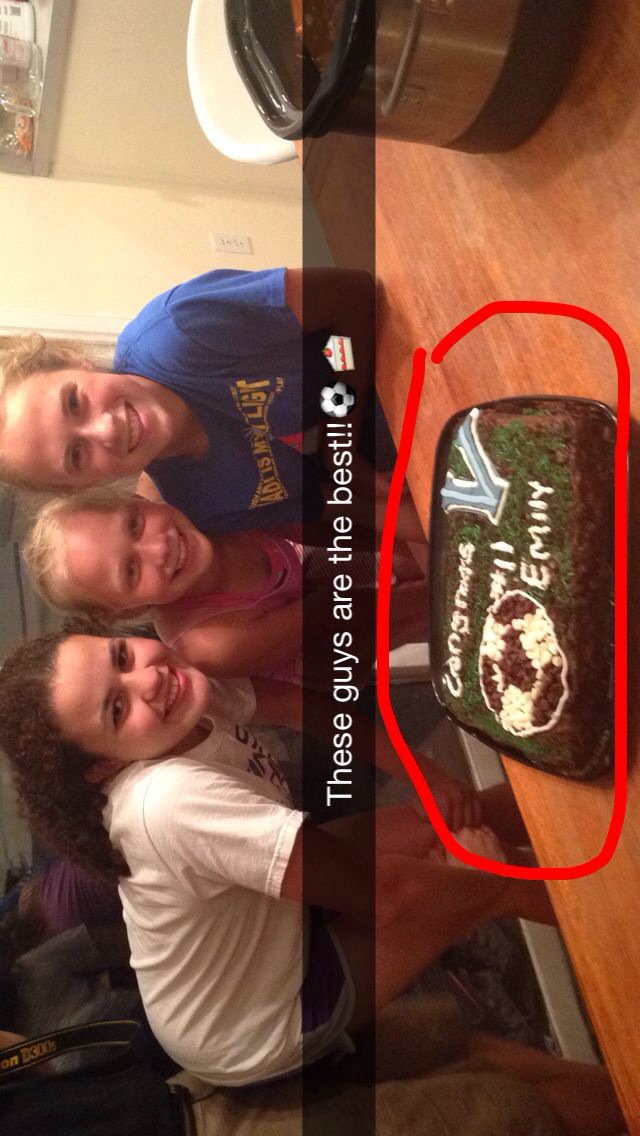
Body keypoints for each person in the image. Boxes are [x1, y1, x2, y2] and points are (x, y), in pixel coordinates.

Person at [0, 628, 557, 1088]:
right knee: (490, 876)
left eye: (121, 656)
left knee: (455, 818)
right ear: (103, 766)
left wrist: (425, 773)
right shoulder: (167, 801)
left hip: (260, 924)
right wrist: (473, 877)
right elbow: (391, 895)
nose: (147, 679)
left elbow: (307, 708)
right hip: (254, 1021)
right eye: (117, 709)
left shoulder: (183, 690)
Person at [0, 269, 423, 541]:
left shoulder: (176, 333)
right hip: (426, 453)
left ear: (73, 361)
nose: (104, 430)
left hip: (423, 355)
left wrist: (339, 432)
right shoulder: (197, 507)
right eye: (76, 455)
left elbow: (352, 293)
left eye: (73, 402)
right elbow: (344, 504)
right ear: (80, 486)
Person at [23, 488, 427, 684]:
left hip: (302, 572)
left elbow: (323, 522)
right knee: (428, 604)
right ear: (129, 610)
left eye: (134, 523)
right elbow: (339, 610)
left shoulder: (188, 497)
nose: (158, 548)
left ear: (138, 499)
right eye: (130, 571)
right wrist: (416, 573)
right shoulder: (212, 642)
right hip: (324, 640)